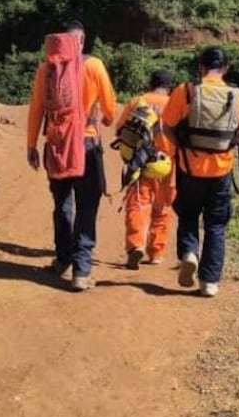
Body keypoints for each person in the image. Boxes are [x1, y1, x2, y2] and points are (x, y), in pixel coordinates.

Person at [26, 20, 116, 291]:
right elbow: (110, 110)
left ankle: (62, 258)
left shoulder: (46, 69)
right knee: (87, 205)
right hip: (86, 145)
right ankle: (81, 270)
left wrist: (31, 145)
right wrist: (106, 118)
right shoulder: (94, 65)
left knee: (62, 203)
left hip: (55, 145)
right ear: (82, 40)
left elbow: (36, 110)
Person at [161, 46, 239, 298]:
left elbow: (166, 126)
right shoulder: (237, 96)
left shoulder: (186, 90)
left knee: (188, 215)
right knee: (215, 225)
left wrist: (182, 146)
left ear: (200, 67)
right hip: (220, 172)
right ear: (225, 69)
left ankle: (189, 253)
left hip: (189, 168)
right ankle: (209, 282)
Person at [116, 69, 176, 269]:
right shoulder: (174, 105)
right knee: (162, 208)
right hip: (167, 165)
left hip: (140, 163)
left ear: (151, 83)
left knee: (137, 205)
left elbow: (120, 130)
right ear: (169, 87)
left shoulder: (137, 101)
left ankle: (135, 246)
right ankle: (156, 252)